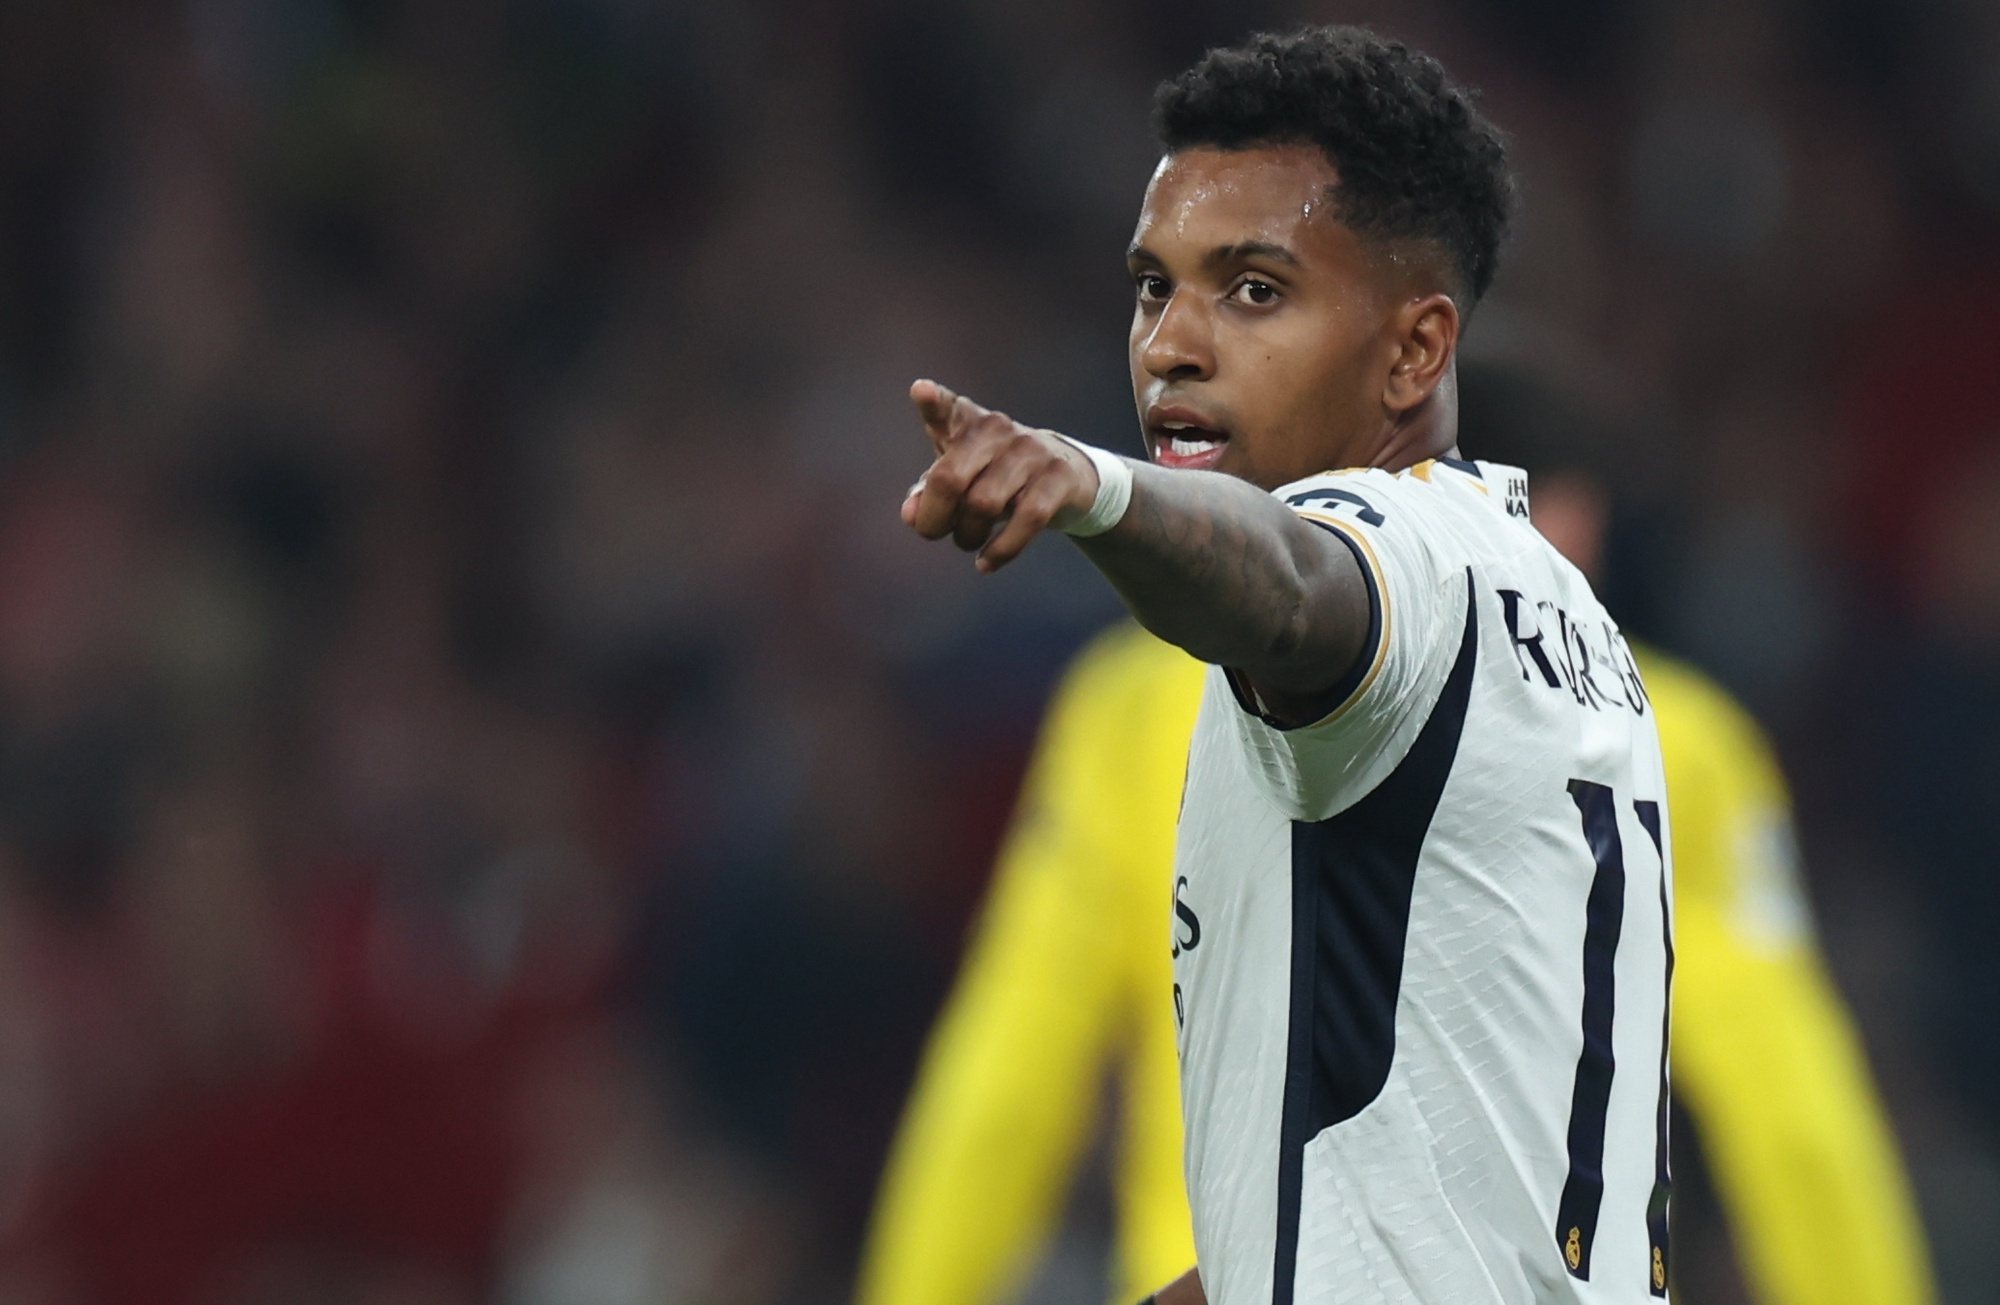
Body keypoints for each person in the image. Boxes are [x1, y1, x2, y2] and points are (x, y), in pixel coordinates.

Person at [855, 361, 1937, 1305]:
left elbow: (1005, 1082)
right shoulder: (1675, 740)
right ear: (1565, 522)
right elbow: (1793, 1122)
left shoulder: (1135, 711)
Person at [896, 25, 1669, 1305]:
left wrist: (1096, 488)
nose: (1169, 346)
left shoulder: (1400, 560)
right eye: (1155, 285)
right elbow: (1409, 1214)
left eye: (1253, 290)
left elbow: (1299, 590)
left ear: (1414, 351)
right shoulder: (1557, 620)